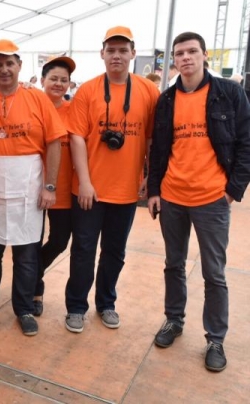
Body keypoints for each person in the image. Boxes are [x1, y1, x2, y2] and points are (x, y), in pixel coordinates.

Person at [148, 32, 250, 372]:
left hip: (212, 198)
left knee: (214, 273)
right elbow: (158, 149)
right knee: (173, 264)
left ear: (205, 55)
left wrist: (233, 189)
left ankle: (215, 339)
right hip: (173, 196)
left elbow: (246, 143)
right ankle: (174, 320)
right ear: (174, 59)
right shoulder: (166, 100)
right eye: (179, 53)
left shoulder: (229, 93)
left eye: (192, 51)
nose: (186, 58)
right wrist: (154, 190)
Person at [0, 39, 64, 336]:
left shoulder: (37, 99)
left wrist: (49, 186)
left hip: (29, 186)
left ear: (19, 65)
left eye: (9, 63)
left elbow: (54, 142)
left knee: (26, 255)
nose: (4, 69)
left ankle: (23, 308)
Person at [64, 26, 159, 333]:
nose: (116, 56)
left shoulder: (148, 91)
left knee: (115, 253)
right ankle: (76, 307)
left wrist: (150, 176)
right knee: (83, 251)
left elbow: (151, 138)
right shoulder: (88, 91)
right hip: (89, 190)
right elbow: (77, 138)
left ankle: (106, 303)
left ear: (133, 53)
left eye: (123, 50)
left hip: (126, 190)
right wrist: (85, 182)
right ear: (102, 54)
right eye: (111, 50)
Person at [33, 56, 77, 317]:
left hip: (63, 189)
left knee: (59, 241)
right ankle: (35, 292)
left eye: (64, 80)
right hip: (33, 187)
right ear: (42, 81)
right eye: (53, 79)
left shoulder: (74, 110)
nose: (59, 84)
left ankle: (30, 273)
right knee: (31, 242)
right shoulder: (32, 107)